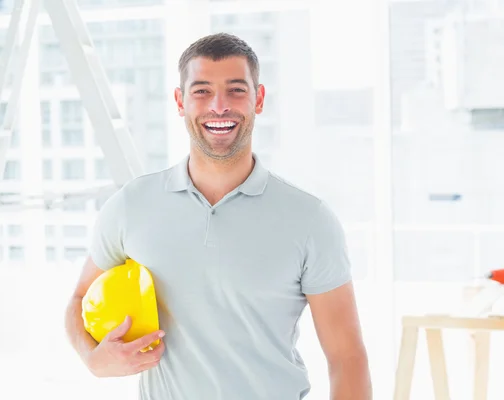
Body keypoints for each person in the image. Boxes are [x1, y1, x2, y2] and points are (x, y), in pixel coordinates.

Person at [65, 32, 372, 399]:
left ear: (258, 99)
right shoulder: (132, 204)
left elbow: (346, 357)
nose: (219, 106)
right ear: (180, 102)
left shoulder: (310, 220)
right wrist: (93, 359)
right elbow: (79, 298)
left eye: (236, 90)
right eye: (202, 91)